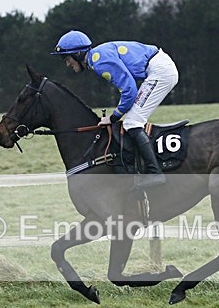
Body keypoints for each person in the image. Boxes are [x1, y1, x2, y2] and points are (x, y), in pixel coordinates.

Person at [51, 30, 179, 189]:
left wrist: (113, 117)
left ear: (78, 53)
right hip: (159, 68)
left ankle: (155, 173)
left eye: (67, 58)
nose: (67, 64)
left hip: (160, 71)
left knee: (132, 122)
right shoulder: (97, 57)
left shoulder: (99, 61)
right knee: (132, 120)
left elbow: (129, 90)